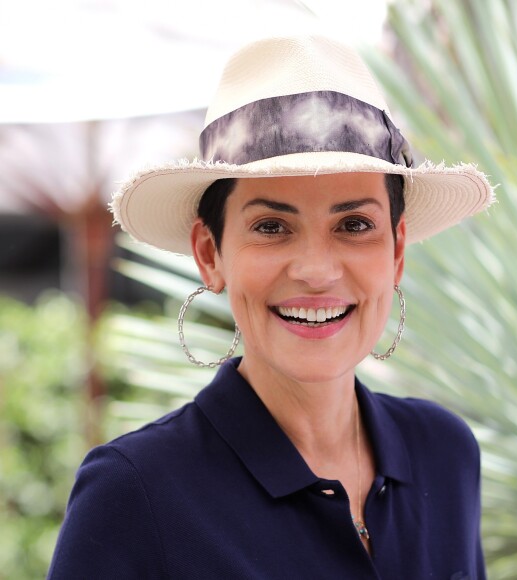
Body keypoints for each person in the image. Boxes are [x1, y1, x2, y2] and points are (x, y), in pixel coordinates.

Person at [48, 35, 493, 579]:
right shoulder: (135, 492)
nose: (317, 269)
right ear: (210, 255)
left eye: (354, 225)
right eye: (271, 227)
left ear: (397, 251)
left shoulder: (444, 452)